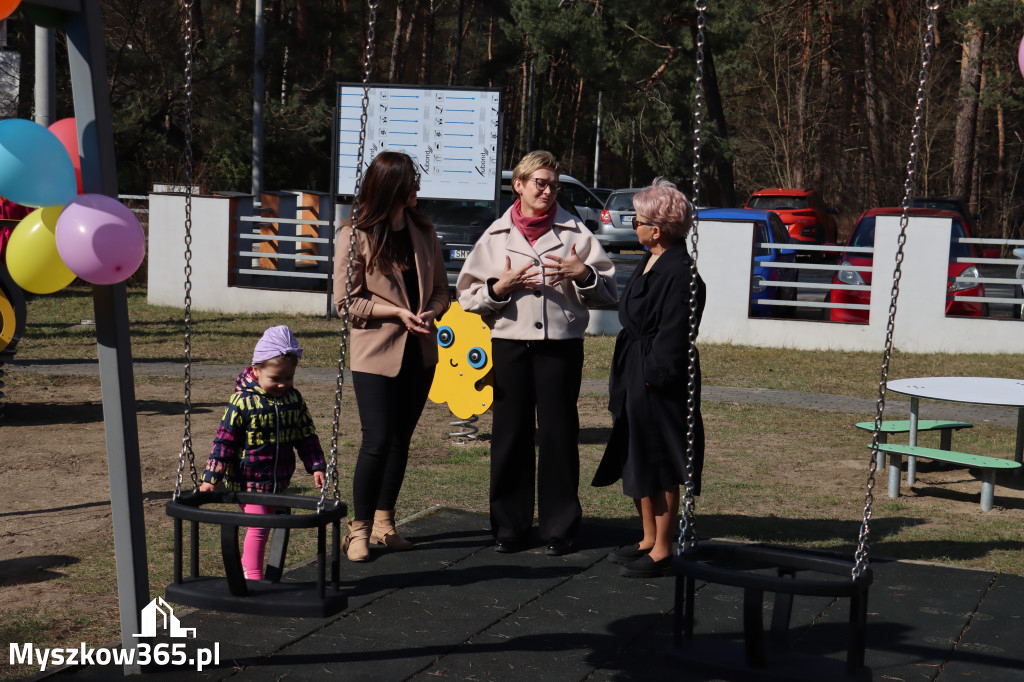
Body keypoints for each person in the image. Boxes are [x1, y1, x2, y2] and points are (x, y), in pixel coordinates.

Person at [457, 150, 616, 556]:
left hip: (561, 348)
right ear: (520, 186)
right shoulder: (494, 235)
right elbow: (467, 298)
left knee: (559, 436)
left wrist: (583, 274)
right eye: (539, 183)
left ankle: (559, 528)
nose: (547, 191)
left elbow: (608, 292)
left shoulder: (576, 233)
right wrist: (499, 288)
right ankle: (509, 527)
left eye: (553, 185)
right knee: (509, 436)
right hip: (509, 345)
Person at [333, 151, 450, 562]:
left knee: (401, 441)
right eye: (411, 181)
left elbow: (441, 291)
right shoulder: (355, 235)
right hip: (376, 356)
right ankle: (358, 530)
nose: (417, 187)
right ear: (393, 188)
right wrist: (397, 312)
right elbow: (346, 303)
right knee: (377, 440)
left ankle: (385, 525)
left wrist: (431, 312)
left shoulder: (424, 231)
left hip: (420, 354)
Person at [591, 178, 706, 579]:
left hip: (658, 378)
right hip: (635, 368)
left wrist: (651, 379)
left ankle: (663, 547)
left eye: (637, 219)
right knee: (636, 454)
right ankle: (645, 538)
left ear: (656, 229)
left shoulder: (681, 273)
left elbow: (675, 334)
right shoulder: (650, 259)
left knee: (661, 459)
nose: (633, 225)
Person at [199, 325, 327, 580]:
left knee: (266, 526)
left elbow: (306, 435)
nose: (282, 384)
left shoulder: (294, 400)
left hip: (278, 478)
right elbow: (224, 442)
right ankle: (254, 577)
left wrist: (316, 465)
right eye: (275, 378)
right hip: (248, 479)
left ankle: (248, 567)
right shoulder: (242, 402)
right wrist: (211, 478)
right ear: (256, 371)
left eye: (288, 378)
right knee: (258, 526)